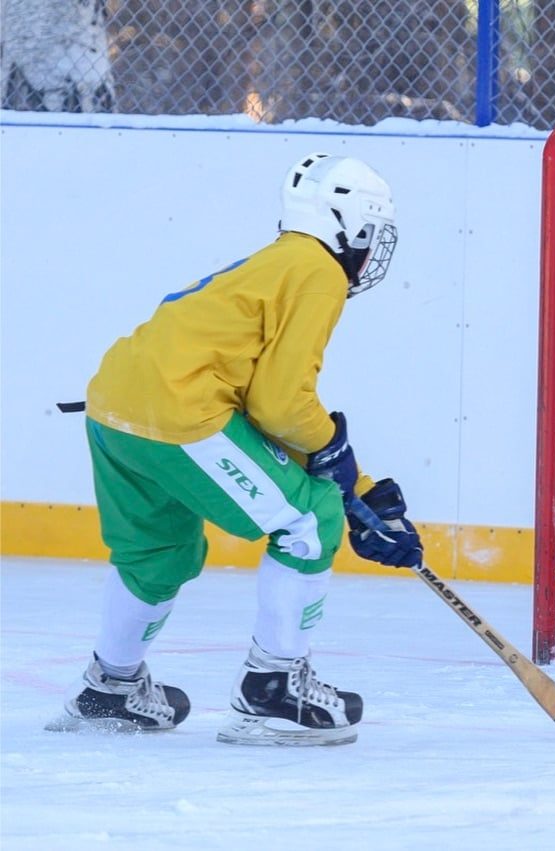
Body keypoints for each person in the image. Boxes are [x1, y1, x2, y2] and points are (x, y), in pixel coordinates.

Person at [49, 153, 423, 745]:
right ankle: (272, 689)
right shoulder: (318, 270)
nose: (373, 250)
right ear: (348, 228)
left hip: (115, 406)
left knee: (157, 553)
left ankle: (109, 688)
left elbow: (261, 412)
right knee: (308, 518)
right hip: (181, 414)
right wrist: (340, 480)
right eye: (373, 235)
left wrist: (360, 485)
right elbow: (281, 405)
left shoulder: (276, 263)